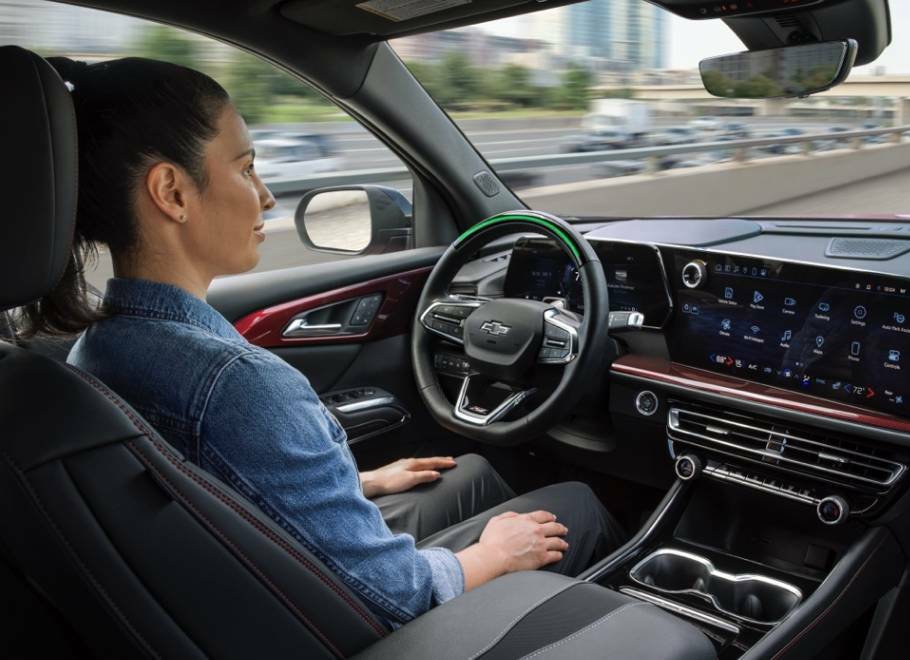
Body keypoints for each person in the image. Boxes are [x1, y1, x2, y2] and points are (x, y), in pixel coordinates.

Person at [16, 56, 623, 630]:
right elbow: (399, 593)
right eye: (246, 167)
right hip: (353, 626)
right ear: (172, 193)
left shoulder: (92, 353)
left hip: (242, 601)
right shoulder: (237, 382)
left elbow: (203, 499)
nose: (267, 196)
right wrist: (494, 556)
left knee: (471, 473)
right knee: (576, 505)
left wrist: (356, 484)